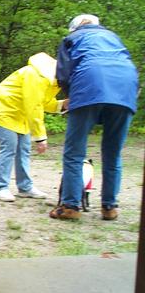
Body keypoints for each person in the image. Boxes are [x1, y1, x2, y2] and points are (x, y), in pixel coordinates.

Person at [50, 14, 139, 221]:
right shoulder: (113, 37)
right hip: (125, 89)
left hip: (88, 84)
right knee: (113, 153)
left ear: (75, 27)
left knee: (74, 153)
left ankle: (70, 206)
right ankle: (109, 207)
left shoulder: (72, 39)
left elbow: (63, 74)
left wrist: (72, 97)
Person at [0, 52, 65, 202]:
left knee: (24, 149)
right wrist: (40, 137)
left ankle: (25, 188)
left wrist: (62, 105)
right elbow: (34, 106)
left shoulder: (52, 80)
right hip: (4, 110)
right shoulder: (36, 76)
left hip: (20, 114)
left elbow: (44, 102)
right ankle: (2, 187)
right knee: (10, 147)